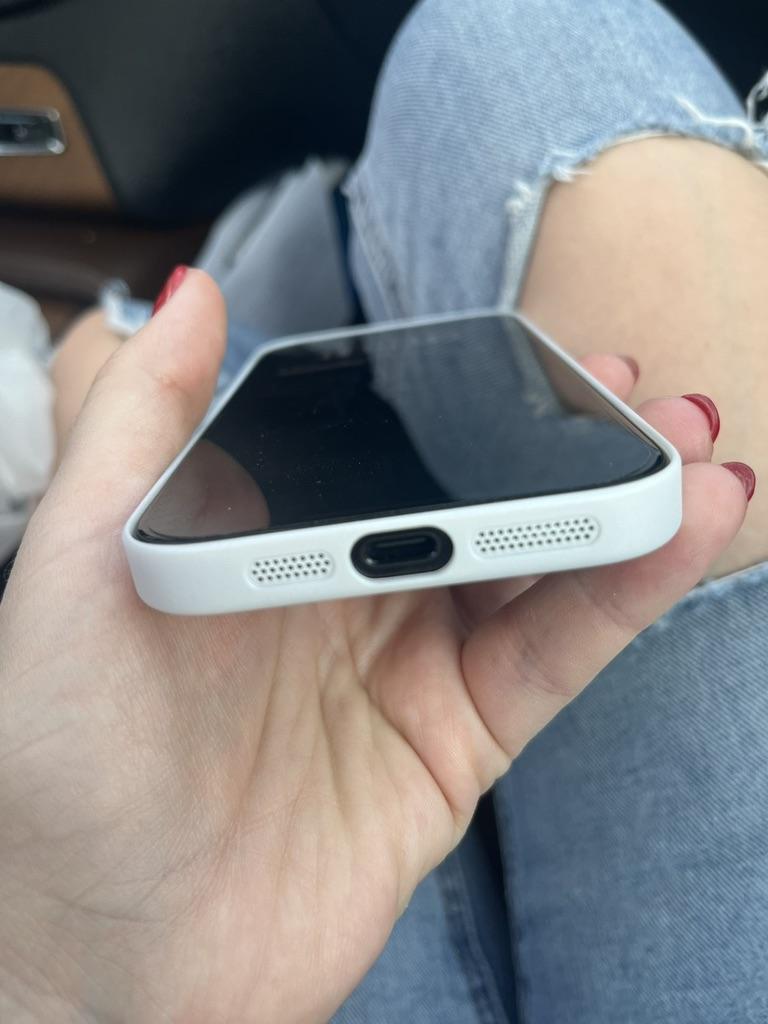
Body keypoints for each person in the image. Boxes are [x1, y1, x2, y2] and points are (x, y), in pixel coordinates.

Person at [0, 1, 766, 1020]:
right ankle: (177, 347)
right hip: (266, 857)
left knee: (173, 389)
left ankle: (133, 351)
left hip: (200, 909)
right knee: (515, 31)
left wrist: (48, 974)